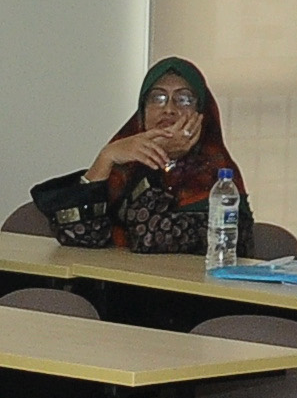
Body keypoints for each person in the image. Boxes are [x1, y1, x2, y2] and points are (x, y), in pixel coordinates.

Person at [66, 57, 250, 254]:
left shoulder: (217, 176)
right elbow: (75, 234)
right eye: (157, 98)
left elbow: (148, 237)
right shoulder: (126, 166)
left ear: (201, 113)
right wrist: (106, 157)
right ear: (143, 112)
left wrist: (161, 157)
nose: (169, 109)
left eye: (184, 99)